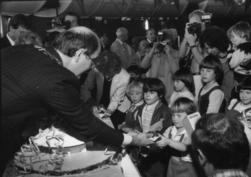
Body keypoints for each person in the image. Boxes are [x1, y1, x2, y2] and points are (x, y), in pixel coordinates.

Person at [1, 26, 152, 175]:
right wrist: (134, 140)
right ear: (80, 54)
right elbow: (87, 125)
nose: (91, 68)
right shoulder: (57, 79)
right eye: (92, 62)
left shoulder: (28, 49)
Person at [156, 97, 200, 177]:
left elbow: (185, 147)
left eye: (179, 116)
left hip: (188, 166)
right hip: (172, 163)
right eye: (173, 115)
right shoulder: (171, 129)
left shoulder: (190, 130)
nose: (175, 119)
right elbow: (164, 141)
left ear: (190, 116)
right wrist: (159, 141)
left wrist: (168, 141)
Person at [141, 29, 179, 101]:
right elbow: (143, 66)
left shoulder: (174, 53)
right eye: (161, 40)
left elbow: (176, 72)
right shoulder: (152, 52)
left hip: (169, 89)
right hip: (154, 89)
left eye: (165, 40)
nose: (163, 42)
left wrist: (168, 54)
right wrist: (152, 50)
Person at [200, 26, 235, 103]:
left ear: (218, 44)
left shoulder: (231, 62)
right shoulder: (213, 59)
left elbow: (227, 94)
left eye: (210, 48)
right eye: (206, 48)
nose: (208, 51)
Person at [178, 9, 207, 73]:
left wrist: (192, 44)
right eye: (191, 24)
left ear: (203, 23)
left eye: (195, 24)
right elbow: (180, 56)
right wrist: (186, 36)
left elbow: (205, 63)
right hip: (191, 77)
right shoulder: (192, 37)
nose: (193, 26)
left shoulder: (208, 39)